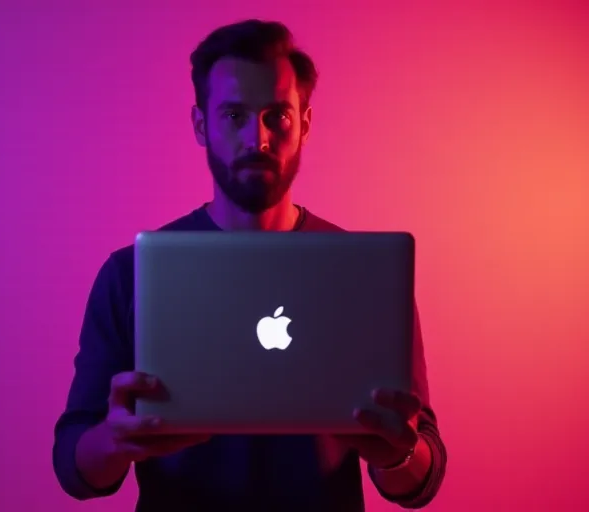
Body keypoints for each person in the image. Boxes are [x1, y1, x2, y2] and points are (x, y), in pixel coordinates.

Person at [52, 19, 447, 511]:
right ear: (201, 125)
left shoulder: (366, 276)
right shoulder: (131, 276)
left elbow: (422, 471)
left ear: (304, 123)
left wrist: (397, 455)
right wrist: (114, 440)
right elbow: (72, 466)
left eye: (277, 116)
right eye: (234, 115)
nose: (257, 139)